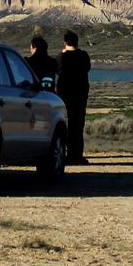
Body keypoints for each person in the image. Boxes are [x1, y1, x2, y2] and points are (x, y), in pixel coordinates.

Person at [56, 30, 92, 165]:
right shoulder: (83, 56)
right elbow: (87, 68)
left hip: (64, 97)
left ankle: (63, 153)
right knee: (78, 126)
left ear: (65, 42)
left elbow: (58, 70)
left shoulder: (61, 57)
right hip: (80, 96)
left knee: (65, 125)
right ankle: (76, 155)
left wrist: (63, 53)